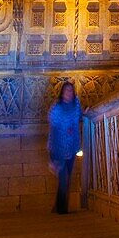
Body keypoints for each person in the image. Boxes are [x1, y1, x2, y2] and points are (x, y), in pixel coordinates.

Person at [47, 80, 83, 214]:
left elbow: (79, 116)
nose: (69, 93)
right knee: (64, 179)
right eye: (67, 90)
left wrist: (86, 113)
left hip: (72, 147)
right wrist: (53, 156)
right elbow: (54, 132)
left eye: (71, 90)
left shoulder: (76, 104)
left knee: (67, 179)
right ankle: (62, 211)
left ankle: (57, 207)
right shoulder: (56, 109)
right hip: (59, 149)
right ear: (62, 93)